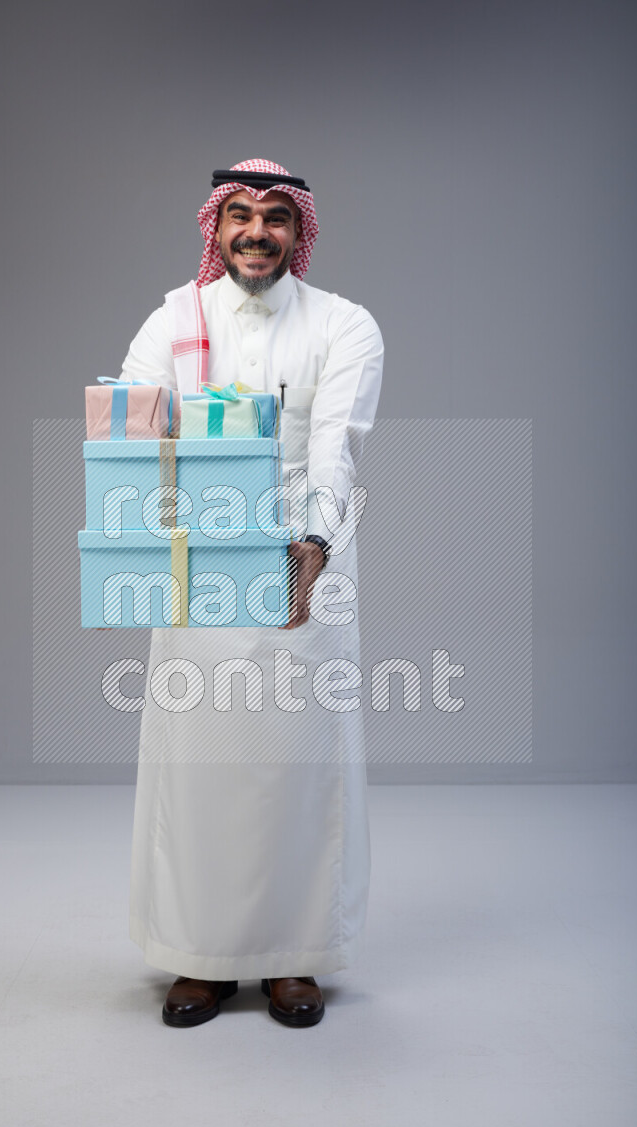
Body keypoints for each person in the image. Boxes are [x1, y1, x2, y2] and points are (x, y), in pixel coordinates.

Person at [120, 158, 384, 1027]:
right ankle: (200, 956)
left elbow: (334, 448)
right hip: (198, 574)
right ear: (215, 227)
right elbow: (132, 430)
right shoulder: (174, 318)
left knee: (296, 773)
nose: (256, 232)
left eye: (275, 217)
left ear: (299, 230)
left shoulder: (343, 325)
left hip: (301, 570)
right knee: (200, 775)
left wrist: (310, 548)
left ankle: (293, 958)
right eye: (239, 215)